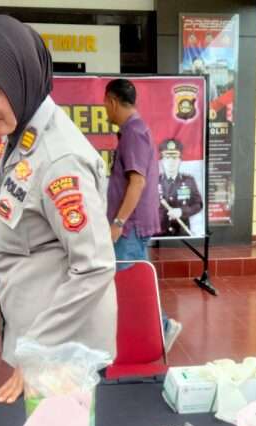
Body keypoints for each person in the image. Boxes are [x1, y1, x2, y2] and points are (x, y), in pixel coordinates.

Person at [0, 15, 116, 404]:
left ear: (24, 78)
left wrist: (38, 351)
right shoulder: (20, 134)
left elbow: (94, 266)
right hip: (39, 334)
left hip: (63, 351)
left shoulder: (59, 159)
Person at [103, 79, 182, 352]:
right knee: (136, 280)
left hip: (130, 226)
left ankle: (161, 327)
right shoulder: (134, 130)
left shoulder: (134, 133)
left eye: (105, 104)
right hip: (133, 224)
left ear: (112, 101)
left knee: (132, 283)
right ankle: (153, 329)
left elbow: (137, 183)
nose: (105, 110)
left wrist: (118, 223)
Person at [158, 139, 204, 238]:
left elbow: (198, 204)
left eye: (175, 157)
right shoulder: (154, 181)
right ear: (162, 160)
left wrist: (181, 211)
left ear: (180, 160)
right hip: (159, 232)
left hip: (182, 231)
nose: (171, 161)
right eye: (167, 157)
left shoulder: (189, 181)